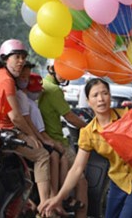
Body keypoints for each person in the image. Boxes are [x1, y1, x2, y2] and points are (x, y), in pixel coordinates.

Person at [39, 78, 132, 218]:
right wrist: (58, 198)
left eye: (105, 93)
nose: (101, 99)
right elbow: (77, 169)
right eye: (95, 95)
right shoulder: (88, 132)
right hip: (118, 182)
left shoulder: (126, 116)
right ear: (88, 101)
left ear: (110, 96)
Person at [0, 39, 51, 207]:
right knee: (42, 155)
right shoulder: (6, 80)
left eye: (23, 58)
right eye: (16, 57)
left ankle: (26, 203)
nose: (21, 62)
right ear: (5, 58)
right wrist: (32, 137)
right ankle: (46, 206)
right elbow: (16, 116)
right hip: (1, 133)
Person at [39, 59, 88, 216]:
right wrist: (91, 127)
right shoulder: (54, 90)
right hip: (57, 140)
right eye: (63, 69)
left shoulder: (41, 84)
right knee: (81, 180)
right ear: (52, 69)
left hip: (42, 138)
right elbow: (70, 117)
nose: (65, 74)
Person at [16, 62, 67, 198]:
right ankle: (51, 198)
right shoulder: (26, 101)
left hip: (28, 136)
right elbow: (29, 123)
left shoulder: (27, 100)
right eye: (23, 77)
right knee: (50, 155)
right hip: (27, 138)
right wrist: (44, 140)